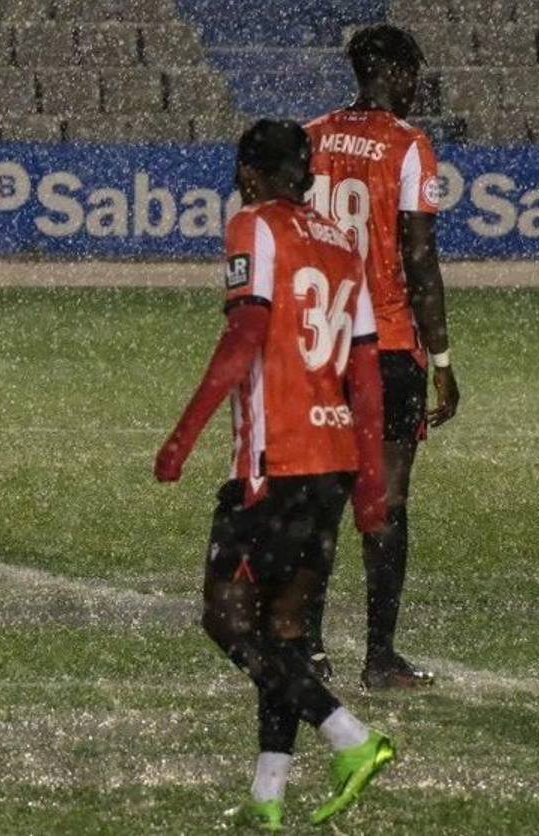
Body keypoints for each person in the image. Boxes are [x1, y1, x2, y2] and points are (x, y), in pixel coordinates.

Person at [155, 119, 394, 830]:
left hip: (275, 462)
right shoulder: (343, 244)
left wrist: (182, 436)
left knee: (226, 618)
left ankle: (348, 735)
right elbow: (367, 374)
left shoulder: (254, 225)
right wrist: (371, 480)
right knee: (283, 629)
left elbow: (245, 335)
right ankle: (268, 796)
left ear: (250, 173)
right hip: (333, 462)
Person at [303, 23, 460, 689]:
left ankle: (308, 648)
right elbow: (418, 256)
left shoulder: (309, 138)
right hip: (387, 344)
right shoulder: (407, 144)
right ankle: (379, 656)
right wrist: (442, 358)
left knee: (317, 498)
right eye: (412, 72)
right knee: (387, 500)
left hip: (320, 344)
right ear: (392, 72)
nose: (416, 85)